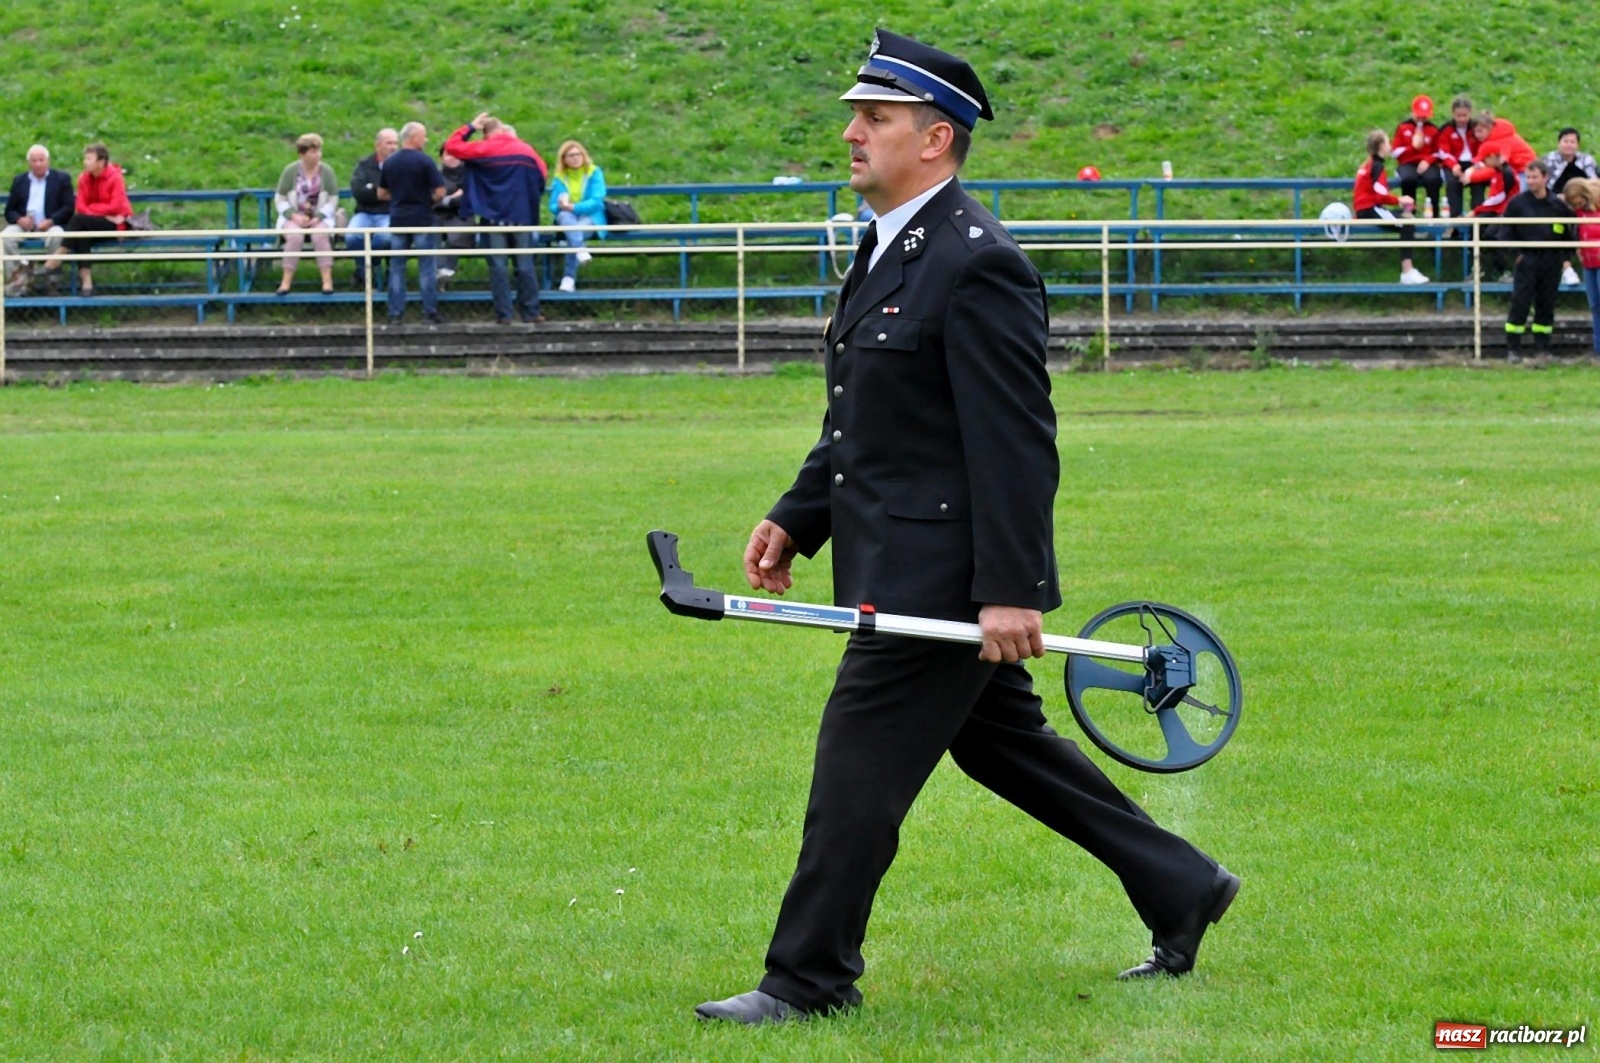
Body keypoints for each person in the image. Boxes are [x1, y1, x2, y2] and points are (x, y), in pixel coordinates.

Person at [692, 28, 1239, 1027]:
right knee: (1002, 745)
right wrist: (795, 515)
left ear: (934, 138)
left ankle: (807, 977)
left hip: (938, 576)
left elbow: (1014, 442)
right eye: (857, 116)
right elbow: (870, 422)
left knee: (853, 771)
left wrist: (1011, 587)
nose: (853, 133)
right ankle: (1181, 882)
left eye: (877, 119)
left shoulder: (975, 264)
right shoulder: (890, 246)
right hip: (894, 555)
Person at [444, 113, 547, 324]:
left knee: (498, 267)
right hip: (522, 217)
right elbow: (542, 175)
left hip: (493, 216)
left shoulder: (485, 148)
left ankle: (505, 315)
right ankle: (531, 312)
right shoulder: (526, 149)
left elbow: (452, 146)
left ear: (486, 133)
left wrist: (469, 126)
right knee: (525, 266)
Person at [1501, 160, 1574, 362]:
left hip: (1551, 261)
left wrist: (1565, 259)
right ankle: (1513, 349)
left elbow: (1568, 235)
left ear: (1545, 178)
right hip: (1527, 260)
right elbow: (1504, 233)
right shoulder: (1517, 203)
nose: (1531, 181)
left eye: (1535, 177)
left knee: (1546, 305)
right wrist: (1516, 254)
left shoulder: (1558, 205)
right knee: (1520, 303)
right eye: (1529, 177)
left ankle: (1543, 349)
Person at [37, 143, 131, 298]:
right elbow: (80, 205)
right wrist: (98, 212)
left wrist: (92, 210)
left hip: (115, 224)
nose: (85, 162)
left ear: (101, 162)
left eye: (89, 158)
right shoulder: (84, 178)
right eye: (85, 158)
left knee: (79, 222)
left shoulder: (115, 177)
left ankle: (55, 259)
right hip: (94, 221)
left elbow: (116, 206)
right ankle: (87, 284)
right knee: (80, 231)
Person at [377, 121, 445, 325]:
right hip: (422, 219)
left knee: (397, 268)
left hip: (398, 219)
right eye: (423, 136)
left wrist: (399, 198)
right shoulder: (425, 162)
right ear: (413, 137)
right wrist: (425, 200)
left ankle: (395, 313)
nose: (426, 140)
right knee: (426, 268)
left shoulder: (390, 162)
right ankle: (429, 312)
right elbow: (440, 191)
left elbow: (381, 193)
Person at [1354, 129, 1427, 285]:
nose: (1390, 145)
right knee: (1407, 222)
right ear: (1381, 146)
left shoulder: (1368, 163)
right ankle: (1407, 271)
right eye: (1388, 142)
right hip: (1370, 209)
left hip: (1365, 209)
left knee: (1405, 215)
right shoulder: (1377, 166)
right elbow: (1379, 194)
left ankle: (1408, 270)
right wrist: (1399, 199)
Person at [3, 145, 75, 295]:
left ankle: (52, 281)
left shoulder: (61, 179)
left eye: (41, 160)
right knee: (6, 236)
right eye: (34, 160)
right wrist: (19, 219)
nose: (38, 164)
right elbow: (9, 211)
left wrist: (51, 220)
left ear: (47, 161)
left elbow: (68, 207)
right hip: (24, 226)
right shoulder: (19, 181)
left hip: (50, 224)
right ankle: (19, 276)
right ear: (29, 163)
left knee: (58, 235)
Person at [273, 133, 337, 295]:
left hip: (320, 216)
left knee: (320, 235)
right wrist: (293, 215)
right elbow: (280, 198)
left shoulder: (327, 171)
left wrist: (319, 217)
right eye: (313, 152)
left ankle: (327, 281)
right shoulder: (290, 171)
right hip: (294, 216)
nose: (318, 155)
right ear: (302, 154)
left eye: (319, 151)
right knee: (295, 236)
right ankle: (286, 281)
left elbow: (333, 198)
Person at [548, 139, 606, 293]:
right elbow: (553, 206)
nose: (575, 158)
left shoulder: (594, 172)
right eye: (570, 155)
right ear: (564, 159)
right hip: (569, 219)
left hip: (590, 217)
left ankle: (569, 278)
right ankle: (580, 249)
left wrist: (573, 207)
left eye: (578, 154)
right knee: (565, 218)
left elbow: (597, 201)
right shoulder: (560, 177)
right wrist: (561, 205)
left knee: (572, 234)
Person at [1542, 128, 1596, 287]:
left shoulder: (1587, 161)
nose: (1569, 145)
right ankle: (1566, 267)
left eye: (1572, 142)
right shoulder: (1549, 160)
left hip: (1584, 205)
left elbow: (1594, 186)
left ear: (1578, 145)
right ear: (1559, 143)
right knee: (1558, 227)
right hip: (1556, 205)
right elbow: (1544, 188)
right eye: (1565, 141)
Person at [348, 127, 398, 289]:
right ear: (378, 145)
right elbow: (359, 192)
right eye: (389, 143)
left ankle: (371, 268)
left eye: (396, 143)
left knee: (385, 238)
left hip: (390, 214)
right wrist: (383, 193)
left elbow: (402, 192)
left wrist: (374, 189)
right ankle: (364, 271)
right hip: (365, 213)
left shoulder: (401, 164)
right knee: (351, 237)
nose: (394, 147)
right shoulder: (364, 165)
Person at [1562, 177, 1600, 355]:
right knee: (1595, 306)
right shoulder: (1578, 211)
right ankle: (1598, 349)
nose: (1575, 207)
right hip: (1589, 261)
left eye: (1577, 202)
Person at [1436, 95, 1483, 233]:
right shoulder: (1446, 129)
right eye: (1458, 116)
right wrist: (1453, 165)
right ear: (1453, 114)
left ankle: (1478, 221)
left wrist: (1474, 166)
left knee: (1478, 184)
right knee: (1452, 183)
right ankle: (1455, 223)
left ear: (1470, 114)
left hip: (1474, 162)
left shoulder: (1476, 128)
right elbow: (1443, 151)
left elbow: (1483, 147)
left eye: (1465, 115)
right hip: (1454, 163)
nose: (1462, 119)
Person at [1392, 94, 1442, 217]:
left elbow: (1439, 152)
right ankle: (1409, 213)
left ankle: (1434, 216)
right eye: (1419, 115)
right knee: (1408, 179)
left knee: (1433, 179)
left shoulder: (1433, 129)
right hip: (1407, 163)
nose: (1421, 119)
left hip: (1426, 163)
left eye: (1424, 116)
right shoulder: (1403, 127)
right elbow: (1395, 152)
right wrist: (1413, 148)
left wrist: (1428, 160)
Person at [433, 149, 474, 287]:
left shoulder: (470, 175)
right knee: (433, 230)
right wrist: (452, 199)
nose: (452, 158)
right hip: (438, 216)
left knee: (458, 233)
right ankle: (438, 269)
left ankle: (447, 269)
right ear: (441, 157)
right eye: (448, 154)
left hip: (462, 216)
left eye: (456, 154)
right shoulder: (434, 175)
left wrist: (446, 199)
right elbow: (431, 199)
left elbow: (469, 199)